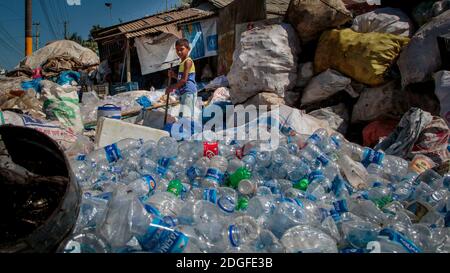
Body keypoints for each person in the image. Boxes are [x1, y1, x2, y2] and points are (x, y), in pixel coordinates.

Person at [166, 39, 198, 119]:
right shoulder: (182, 63)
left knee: (187, 116)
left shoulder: (188, 62)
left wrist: (171, 87)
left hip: (189, 92)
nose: (179, 52)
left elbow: (184, 80)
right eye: (177, 50)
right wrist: (174, 75)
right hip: (183, 92)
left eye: (182, 49)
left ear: (188, 49)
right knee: (183, 116)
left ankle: (190, 130)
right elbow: (181, 78)